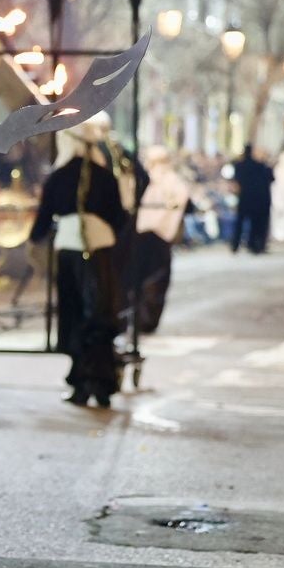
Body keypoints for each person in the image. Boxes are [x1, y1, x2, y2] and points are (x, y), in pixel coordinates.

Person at [31, 117, 128, 408]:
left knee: (75, 315)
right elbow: (120, 217)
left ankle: (81, 382)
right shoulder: (106, 175)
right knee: (100, 314)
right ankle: (101, 382)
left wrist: (34, 240)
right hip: (100, 251)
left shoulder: (58, 177)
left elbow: (42, 221)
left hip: (71, 251)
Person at [133, 145, 189, 334]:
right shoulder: (148, 180)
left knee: (153, 280)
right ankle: (143, 318)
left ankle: (147, 319)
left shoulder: (171, 183)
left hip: (156, 237)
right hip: (150, 237)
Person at [228, 145, 273, 254]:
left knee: (240, 222)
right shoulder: (259, 166)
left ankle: (235, 244)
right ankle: (253, 244)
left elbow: (236, 181)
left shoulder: (239, 166)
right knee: (254, 223)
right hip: (256, 198)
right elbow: (269, 178)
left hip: (244, 197)